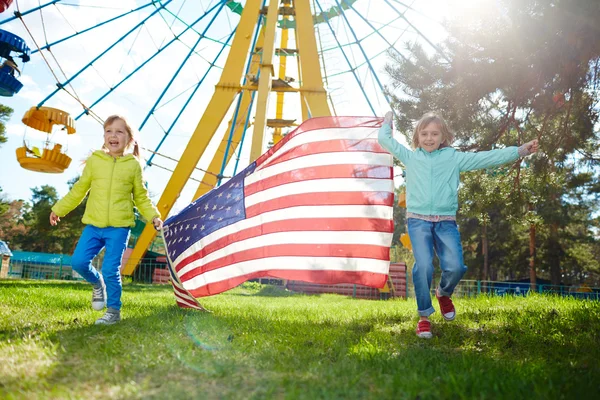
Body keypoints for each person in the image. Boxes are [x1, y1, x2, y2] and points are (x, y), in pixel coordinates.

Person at [379, 111, 539, 338]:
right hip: (418, 221)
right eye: (424, 133)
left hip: (446, 222)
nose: (429, 138)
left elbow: (486, 158)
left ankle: (443, 293)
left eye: (434, 133)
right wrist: (387, 123)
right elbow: (385, 140)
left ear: (443, 135)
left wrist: (519, 151)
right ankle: (424, 317)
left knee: (455, 266)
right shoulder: (411, 157)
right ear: (417, 136)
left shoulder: (454, 158)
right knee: (423, 265)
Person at [49, 115, 163, 325]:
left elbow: (141, 197)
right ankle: (96, 283)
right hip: (94, 225)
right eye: (109, 131)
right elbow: (79, 190)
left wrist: (154, 216)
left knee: (111, 269)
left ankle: (113, 312)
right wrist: (59, 209)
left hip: (119, 228)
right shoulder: (95, 161)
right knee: (78, 262)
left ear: (129, 139)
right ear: (104, 136)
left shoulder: (133, 166)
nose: (113, 135)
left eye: (119, 132)